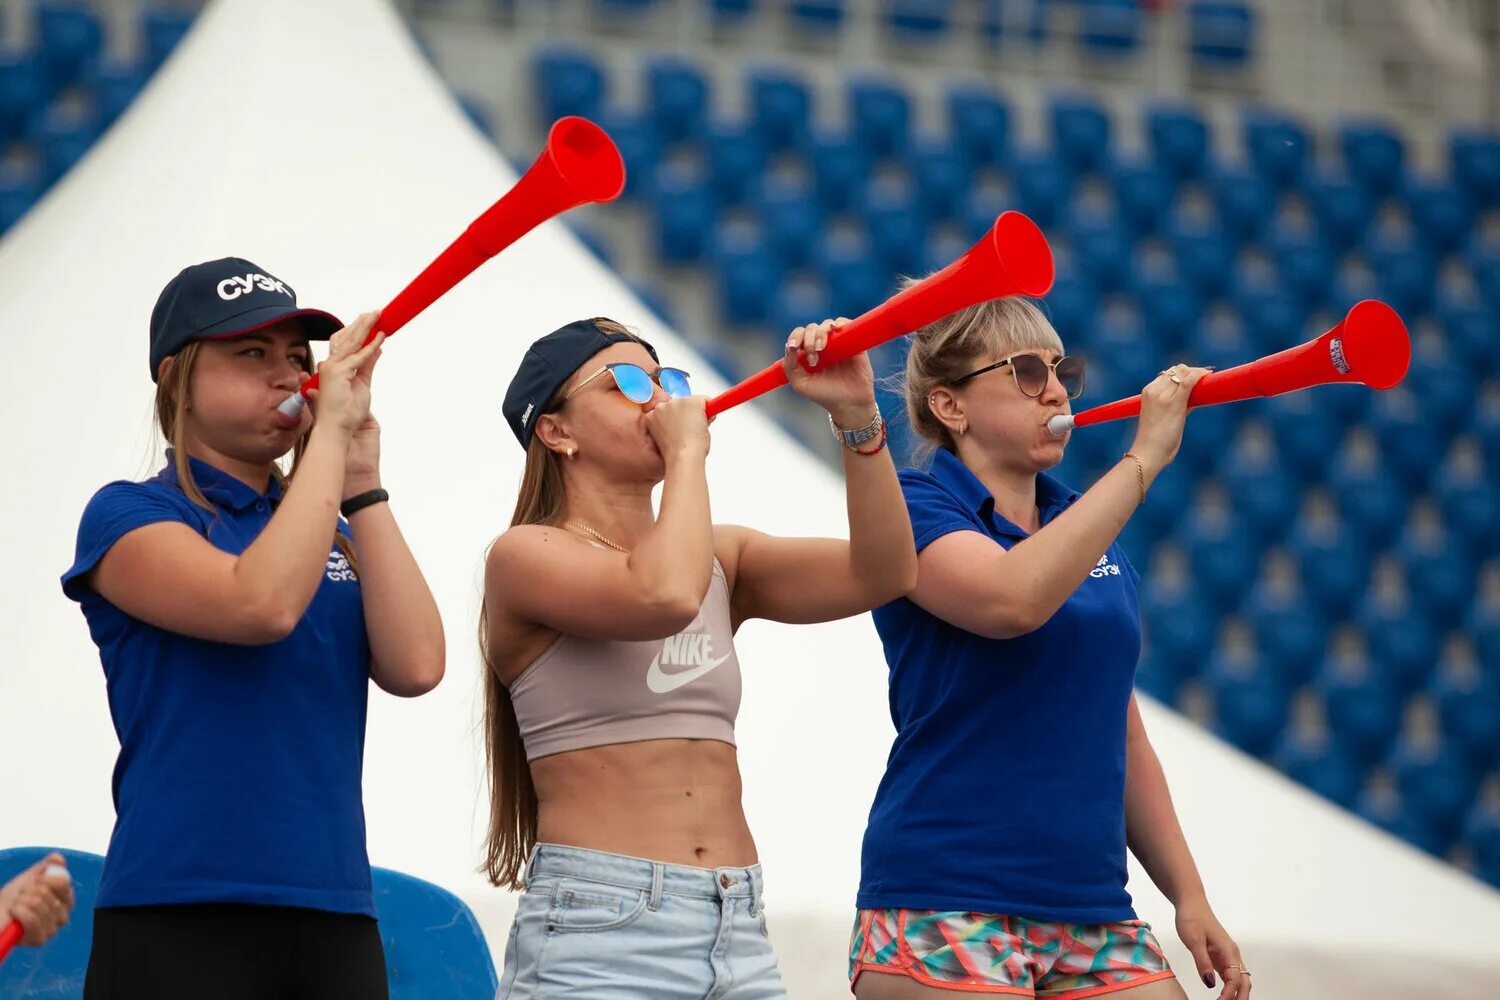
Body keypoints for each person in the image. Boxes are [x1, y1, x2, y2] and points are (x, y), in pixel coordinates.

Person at [483, 316, 917, 998]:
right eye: (627, 383)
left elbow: (886, 572)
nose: (660, 397)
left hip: (734, 922)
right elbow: (663, 595)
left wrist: (858, 418)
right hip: (603, 925)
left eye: (668, 379)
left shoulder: (722, 556)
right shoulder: (526, 555)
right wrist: (687, 456)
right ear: (555, 431)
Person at [62, 257, 445, 999]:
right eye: (251, 354)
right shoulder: (129, 513)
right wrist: (328, 442)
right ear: (176, 379)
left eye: (299, 359)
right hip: (178, 908)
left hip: (334, 908)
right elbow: (259, 606)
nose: (290, 377)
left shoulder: (324, 528)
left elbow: (419, 665)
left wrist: (362, 484)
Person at [851, 296, 1251, 1000]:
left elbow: (1119, 730)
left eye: (1063, 370)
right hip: (945, 892)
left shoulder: (1080, 523)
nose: (1059, 390)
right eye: (1028, 371)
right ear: (951, 406)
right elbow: (1011, 601)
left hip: (1092, 906)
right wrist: (1143, 458)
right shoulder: (913, 503)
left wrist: (1189, 895)